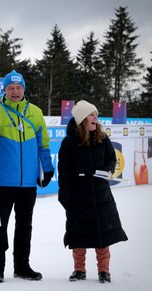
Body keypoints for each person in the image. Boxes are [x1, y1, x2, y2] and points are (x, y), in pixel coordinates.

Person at [0, 70, 54, 283]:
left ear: (24, 89)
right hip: (2, 182)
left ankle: (22, 266)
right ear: (4, 90)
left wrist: (48, 168)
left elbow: (44, 145)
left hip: (27, 183)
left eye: (18, 88)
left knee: (25, 226)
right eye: (10, 88)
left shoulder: (36, 113)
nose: (14, 91)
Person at [57, 100, 128, 283]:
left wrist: (108, 170)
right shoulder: (69, 143)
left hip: (101, 195)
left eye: (96, 114)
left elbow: (111, 160)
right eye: (91, 114)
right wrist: (65, 197)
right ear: (82, 119)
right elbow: (63, 172)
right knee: (78, 236)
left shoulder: (103, 138)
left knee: (102, 235)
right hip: (78, 196)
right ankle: (79, 270)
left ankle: (104, 271)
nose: (95, 117)